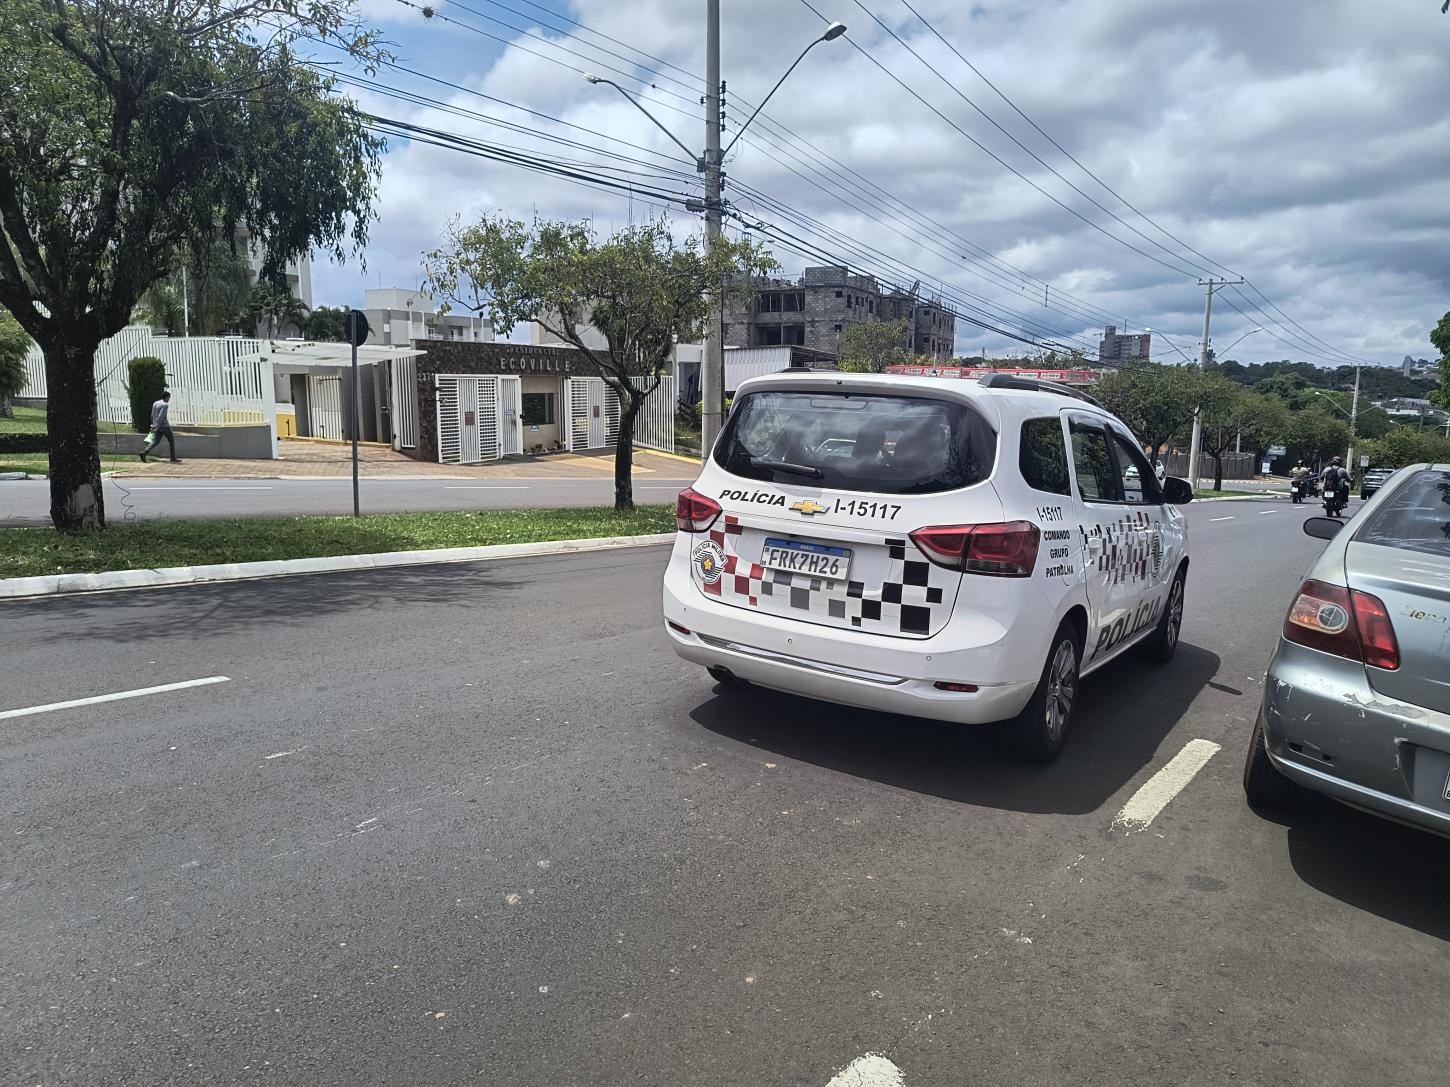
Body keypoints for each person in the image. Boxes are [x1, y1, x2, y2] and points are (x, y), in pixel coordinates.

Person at [139, 391, 181, 463]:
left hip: (157, 426)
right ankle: (173, 457)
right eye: (169, 397)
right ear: (167, 397)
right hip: (164, 426)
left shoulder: (155, 403)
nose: (169, 399)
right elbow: (161, 416)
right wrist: (156, 426)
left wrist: (153, 424)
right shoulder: (165, 405)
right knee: (171, 441)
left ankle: (144, 452)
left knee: (156, 441)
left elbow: (152, 414)